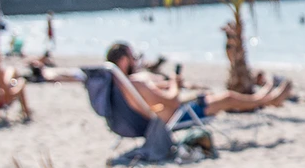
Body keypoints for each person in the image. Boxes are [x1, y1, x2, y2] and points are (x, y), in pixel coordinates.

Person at [104, 42, 291, 127]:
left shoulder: (119, 84)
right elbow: (172, 102)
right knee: (228, 97)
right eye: (132, 55)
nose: (135, 59)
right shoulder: (136, 83)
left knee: (219, 96)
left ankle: (266, 97)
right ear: (122, 61)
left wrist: (166, 84)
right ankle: (268, 99)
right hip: (176, 116)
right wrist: (175, 84)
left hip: (168, 115)